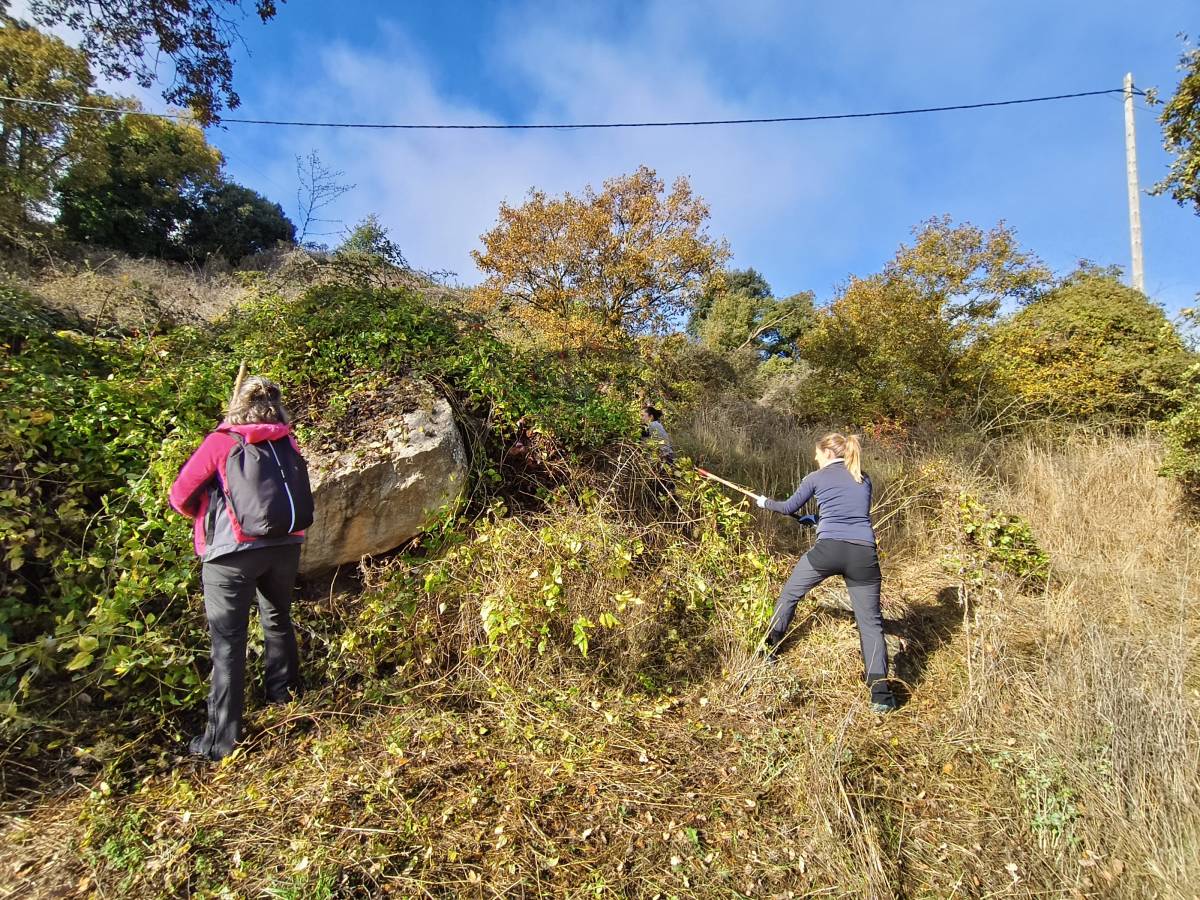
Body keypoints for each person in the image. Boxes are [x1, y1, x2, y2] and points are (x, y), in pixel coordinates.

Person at [169, 377, 310, 760]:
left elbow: (180, 494)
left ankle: (221, 742)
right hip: (285, 545)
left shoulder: (221, 441)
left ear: (237, 406)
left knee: (227, 642)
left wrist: (204, 516)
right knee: (278, 620)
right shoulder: (286, 439)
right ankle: (285, 700)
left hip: (232, 553)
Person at [754, 432, 897, 713]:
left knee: (791, 594)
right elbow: (848, 512)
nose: (815, 458)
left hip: (828, 551)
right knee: (870, 622)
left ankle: (768, 649)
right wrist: (817, 519)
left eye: (817, 454)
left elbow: (786, 507)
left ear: (828, 454)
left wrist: (763, 502)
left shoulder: (815, 478)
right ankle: (880, 692)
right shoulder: (862, 477)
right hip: (863, 555)